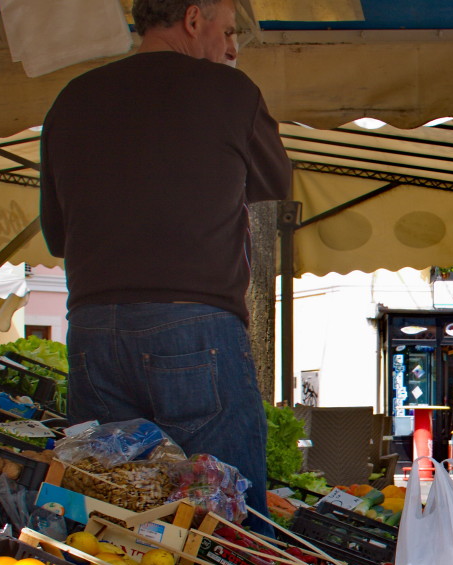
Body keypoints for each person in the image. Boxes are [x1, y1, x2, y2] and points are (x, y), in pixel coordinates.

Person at [39, 0, 293, 522]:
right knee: (221, 513)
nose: (232, 48)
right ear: (193, 19)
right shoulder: (230, 91)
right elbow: (274, 185)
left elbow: (57, 234)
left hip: (93, 330)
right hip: (194, 328)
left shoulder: (71, 99)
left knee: (110, 508)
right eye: (227, 32)